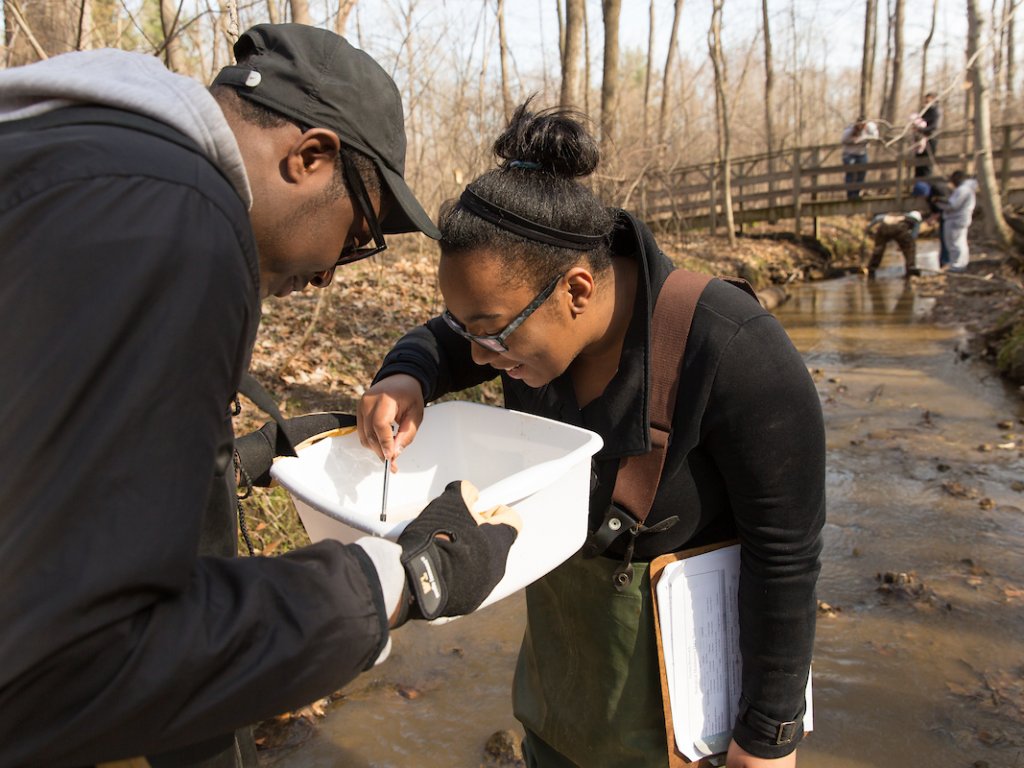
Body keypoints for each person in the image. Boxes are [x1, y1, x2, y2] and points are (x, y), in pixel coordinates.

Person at [0, 23, 521, 768]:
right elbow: (75, 658)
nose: (331, 276)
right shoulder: (181, 220)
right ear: (310, 157)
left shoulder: (78, 160)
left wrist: (229, 455)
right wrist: (394, 582)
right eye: (360, 233)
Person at [358, 102, 825, 768]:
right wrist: (408, 375)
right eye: (470, 333)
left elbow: (786, 555)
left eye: (491, 332)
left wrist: (769, 734)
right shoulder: (518, 327)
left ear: (577, 288)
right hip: (559, 694)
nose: (482, 356)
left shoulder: (734, 349)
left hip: (688, 719)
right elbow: (446, 338)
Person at [864, 210, 924, 279]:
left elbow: (877, 218)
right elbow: (914, 235)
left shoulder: (900, 216)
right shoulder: (915, 221)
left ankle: (871, 268)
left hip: (884, 227)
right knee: (910, 246)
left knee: (878, 248)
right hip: (899, 228)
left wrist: (868, 227)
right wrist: (905, 244)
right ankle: (910, 268)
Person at [944, 170, 979, 272]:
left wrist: (940, 203)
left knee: (955, 243)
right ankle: (961, 263)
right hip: (961, 219)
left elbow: (953, 205)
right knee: (961, 242)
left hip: (956, 219)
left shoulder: (963, 190)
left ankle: (957, 265)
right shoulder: (968, 189)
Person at [912, 179, 952, 267]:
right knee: (942, 237)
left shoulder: (939, 190)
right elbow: (934, 210)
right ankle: (943, 260)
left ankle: (947, 261)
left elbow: (948, 206)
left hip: (951, 216)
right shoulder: (929, 198)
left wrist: (934, 217)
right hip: (943, 217)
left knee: (947, 238)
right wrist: (931, 219)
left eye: (920, 196)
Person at [840, 115, 880, 200]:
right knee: (850, 174)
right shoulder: (850, 130)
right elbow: (843, 140)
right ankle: (850, 195)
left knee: (862, 173)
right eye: (859, 125)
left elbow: (876, 137)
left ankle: (857, 193)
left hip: (861, 154)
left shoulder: (869, 128)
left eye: (863, 125)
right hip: (849, 154)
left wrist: (864, 138)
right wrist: (854, 141)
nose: (861, 127)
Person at [911, 92, 942, 178]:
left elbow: (934, 127)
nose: (926, 101)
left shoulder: (936, 111)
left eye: (928, 100)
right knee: (918, 164)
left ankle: (926, 185)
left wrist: (921, 129)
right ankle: (917, 184)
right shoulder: (925, 110)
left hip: (930, 139)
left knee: (926, 164)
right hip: (921, 140)